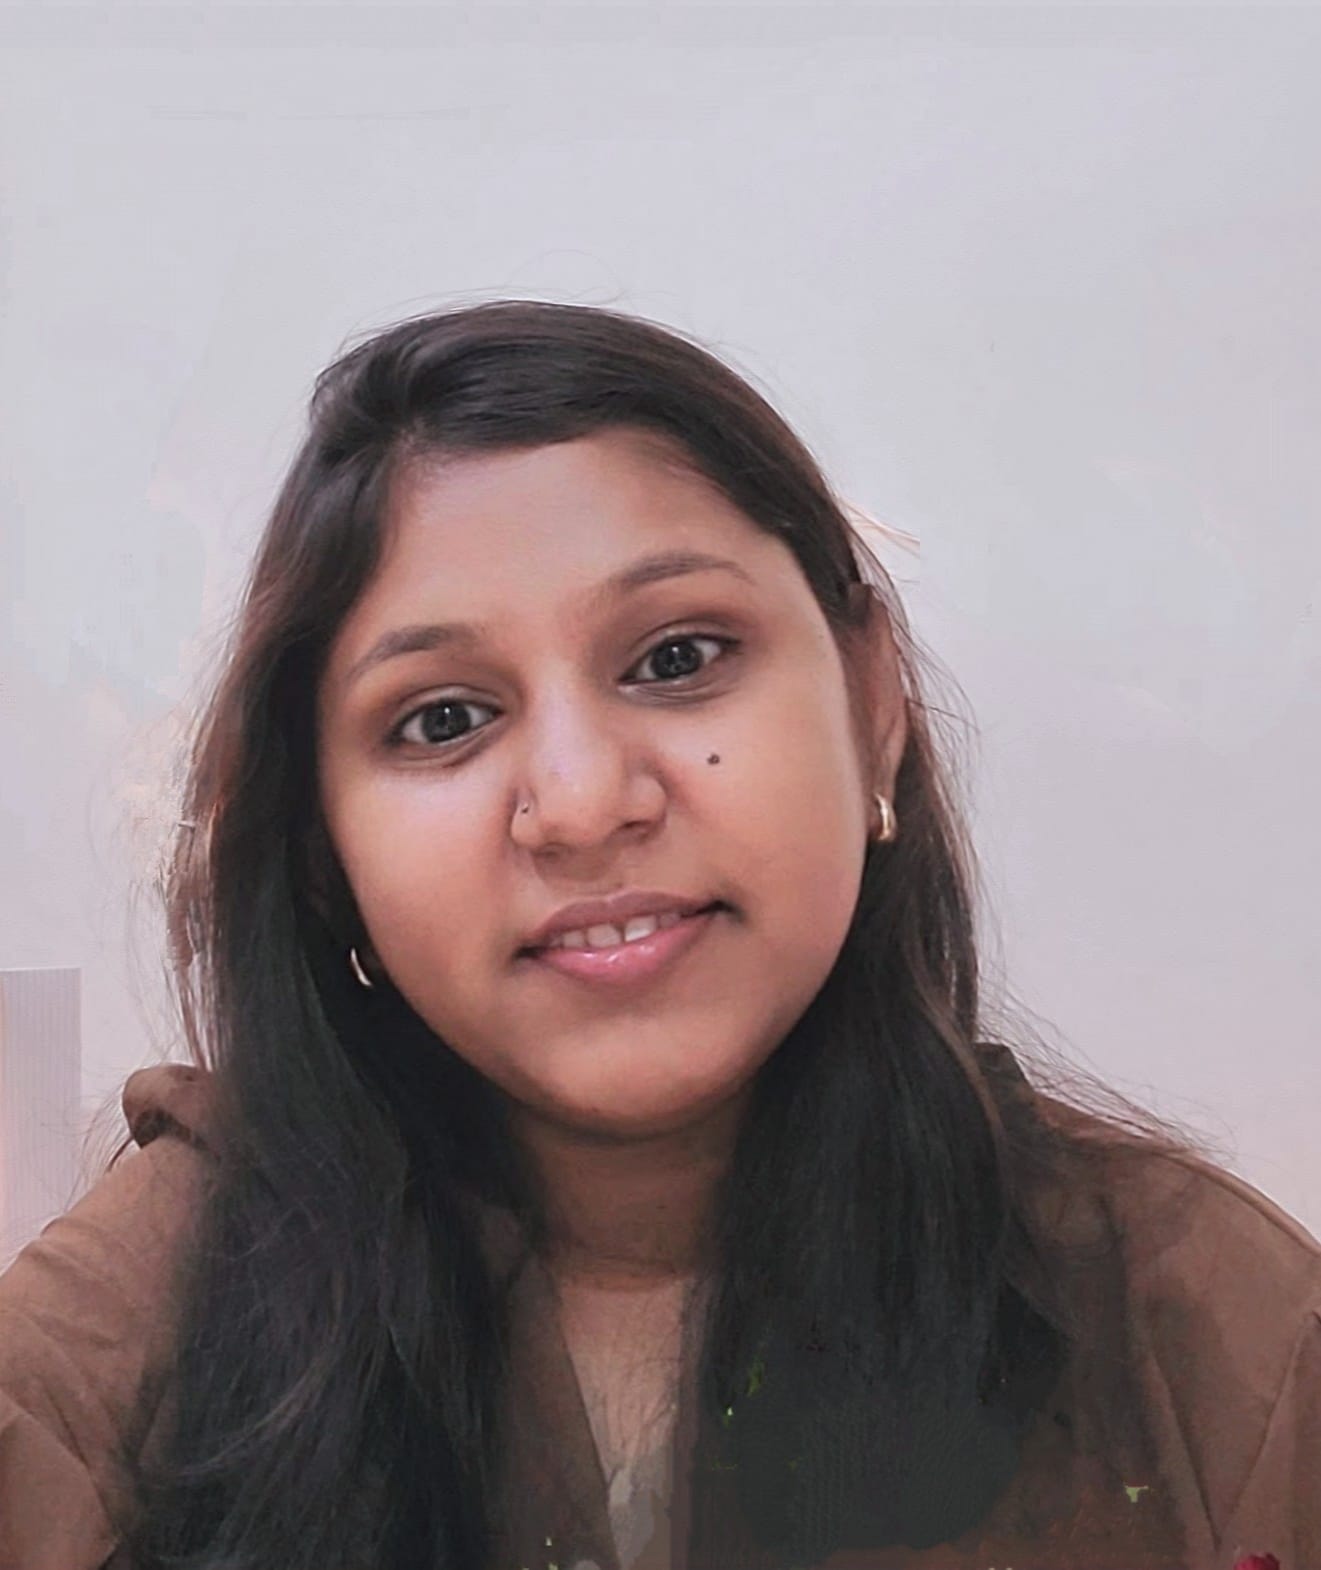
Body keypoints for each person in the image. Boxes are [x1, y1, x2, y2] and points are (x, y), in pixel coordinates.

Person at [0, 301, 1316, 1570]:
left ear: (871, 701)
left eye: (678, 656)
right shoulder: (131, 1338)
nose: (579, 805)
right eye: (442, 719)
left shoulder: (1206, 1338)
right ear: (323, 853)